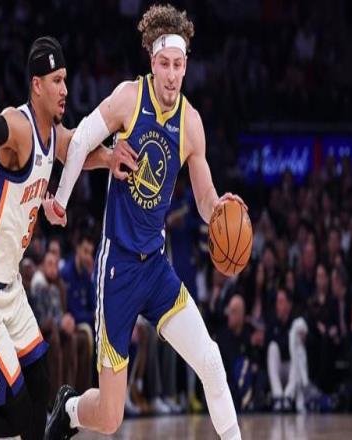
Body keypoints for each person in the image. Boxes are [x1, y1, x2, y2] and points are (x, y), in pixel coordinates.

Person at [43, 5, 243, 439]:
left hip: (155, 267)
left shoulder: (191, 124)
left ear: (186, 66)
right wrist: (60, 199)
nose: (171, 75)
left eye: (178, 65)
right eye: (164, 64)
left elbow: (204, 196)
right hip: (118, 268)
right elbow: (78, 141)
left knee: (210, 360)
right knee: (110, 418)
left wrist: (219, 210)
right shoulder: (129, 99)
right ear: (153, 62)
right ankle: (71, 408)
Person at [0, 36, 130, 440]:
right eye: (56, 81)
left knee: (41, 392)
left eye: (66, 79)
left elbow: (76, 150)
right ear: (36, 85)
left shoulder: (54, 135)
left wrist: (109, 158)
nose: (65, 89)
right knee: (22, 422)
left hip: (10, 287)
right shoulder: (19, 126)